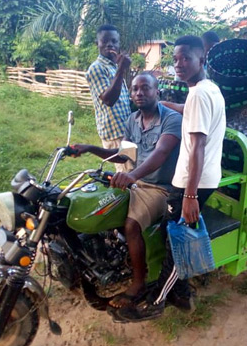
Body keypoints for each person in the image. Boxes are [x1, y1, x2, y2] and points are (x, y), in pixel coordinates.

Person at [114, 35, 226, 322]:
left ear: (202, 59)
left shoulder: (200, 94)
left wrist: (189, 196)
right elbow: (191, 112)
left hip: (193, 182)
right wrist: (166, 104)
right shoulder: (206, 89)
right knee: (170, 235)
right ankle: (182, 293)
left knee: (178, 245)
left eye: (186, 58)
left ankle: (157, 301)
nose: (179, 64)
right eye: (175, 59)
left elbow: (197, 146)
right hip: (198, 179)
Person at [71, 72, 182, 307]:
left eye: (145, 88)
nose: (139, 93)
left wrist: (131, 175)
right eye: (135, 89)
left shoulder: (171, 119)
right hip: (137, 183)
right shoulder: (133, 119)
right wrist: (90, 148)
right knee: (100, 207)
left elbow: (161, 153)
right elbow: (124, 155)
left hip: (161, 189)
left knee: (131, 225)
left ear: (157, 92)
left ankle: (139, 283)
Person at [86, 24, 133, 173]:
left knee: (134, 170)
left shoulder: (114, 66)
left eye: (114, 41)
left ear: (119, 44)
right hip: (115, 133)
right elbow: (109, 100)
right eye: (105, 41)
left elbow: (123, 100)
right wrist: (121, 69)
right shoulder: (97, 68)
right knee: (127, 175)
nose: (110, 44)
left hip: (126, 130)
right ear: (97, 44)